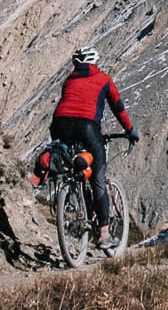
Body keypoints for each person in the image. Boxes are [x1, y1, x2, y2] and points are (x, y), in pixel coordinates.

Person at [50, 45, 136, 227]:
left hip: (58, 126)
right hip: (87, 127)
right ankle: (104, 232)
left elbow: (71, 108)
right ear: (94, 62)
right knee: (98, 176)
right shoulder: (103, 79)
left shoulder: (68, 81)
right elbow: (117, 107)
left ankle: (71, 197)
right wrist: (129, 130)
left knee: (73, 163)